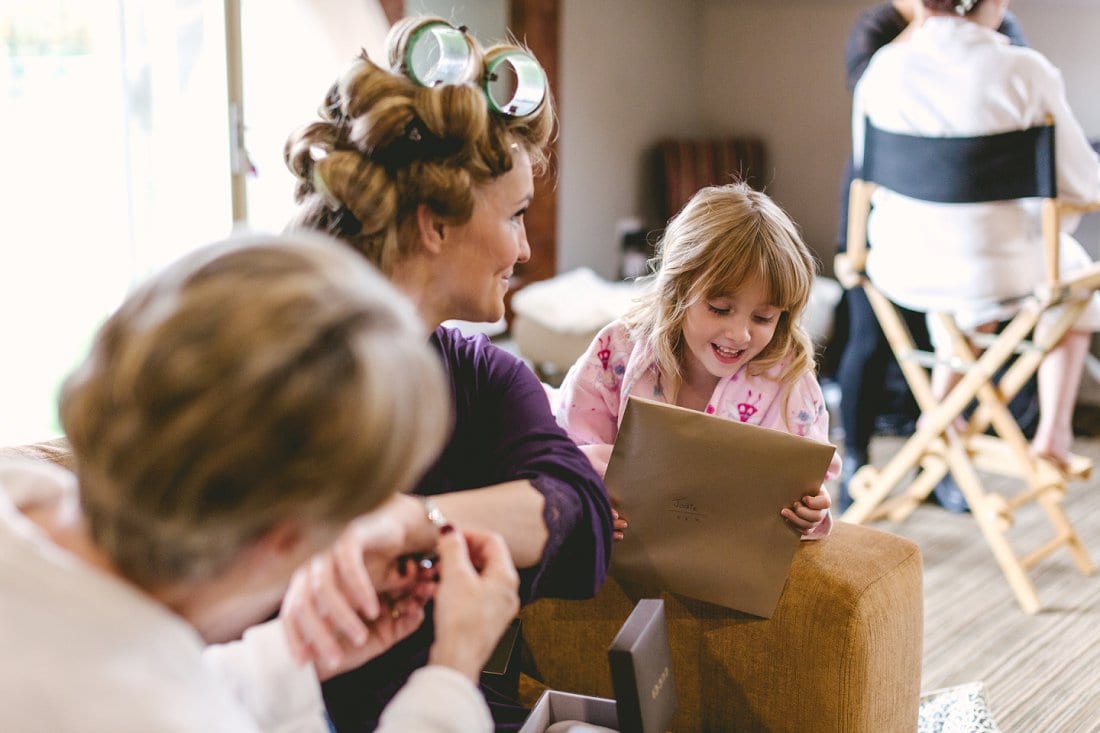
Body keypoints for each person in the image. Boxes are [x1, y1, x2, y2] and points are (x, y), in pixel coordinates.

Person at [0, 232, 524, 732]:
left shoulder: (20, 497)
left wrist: (288, 657)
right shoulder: (161, 718)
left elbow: (129, 666)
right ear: (285, 539)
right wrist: (452, 674)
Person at [280, 16, 614, 731]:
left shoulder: (481, 376)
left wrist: (411, 521)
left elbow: (579, 511)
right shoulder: (278, 376)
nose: (524, 249)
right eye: (517, 216)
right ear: (435, 223)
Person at [852, 0, 1100, 472]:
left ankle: (942, 415)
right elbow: (1082, 184)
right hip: (990, 268)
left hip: (900, 265)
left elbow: (869, 169)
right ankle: (1053, 432)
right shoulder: (1024, 70)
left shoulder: (883, 69)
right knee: (1074, 273)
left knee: (976, 265)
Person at [555, 182, 837, 541]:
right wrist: (587, 498)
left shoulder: (788, 381)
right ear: (679, 288)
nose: (740, 334)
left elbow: (809, 485)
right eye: (720, 309)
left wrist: (810, 513)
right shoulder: (619, 352)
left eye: (763, 318)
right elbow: (566, 449)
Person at [833, 0, 1029, 511]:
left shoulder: (1001, 29)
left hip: (959, 221)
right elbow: (865, 93)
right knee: (869, 340)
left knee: (948, 345)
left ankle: (938, 461)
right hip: (880, 212)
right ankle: (855, 457)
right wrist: (935, 26)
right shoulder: (879, 30)